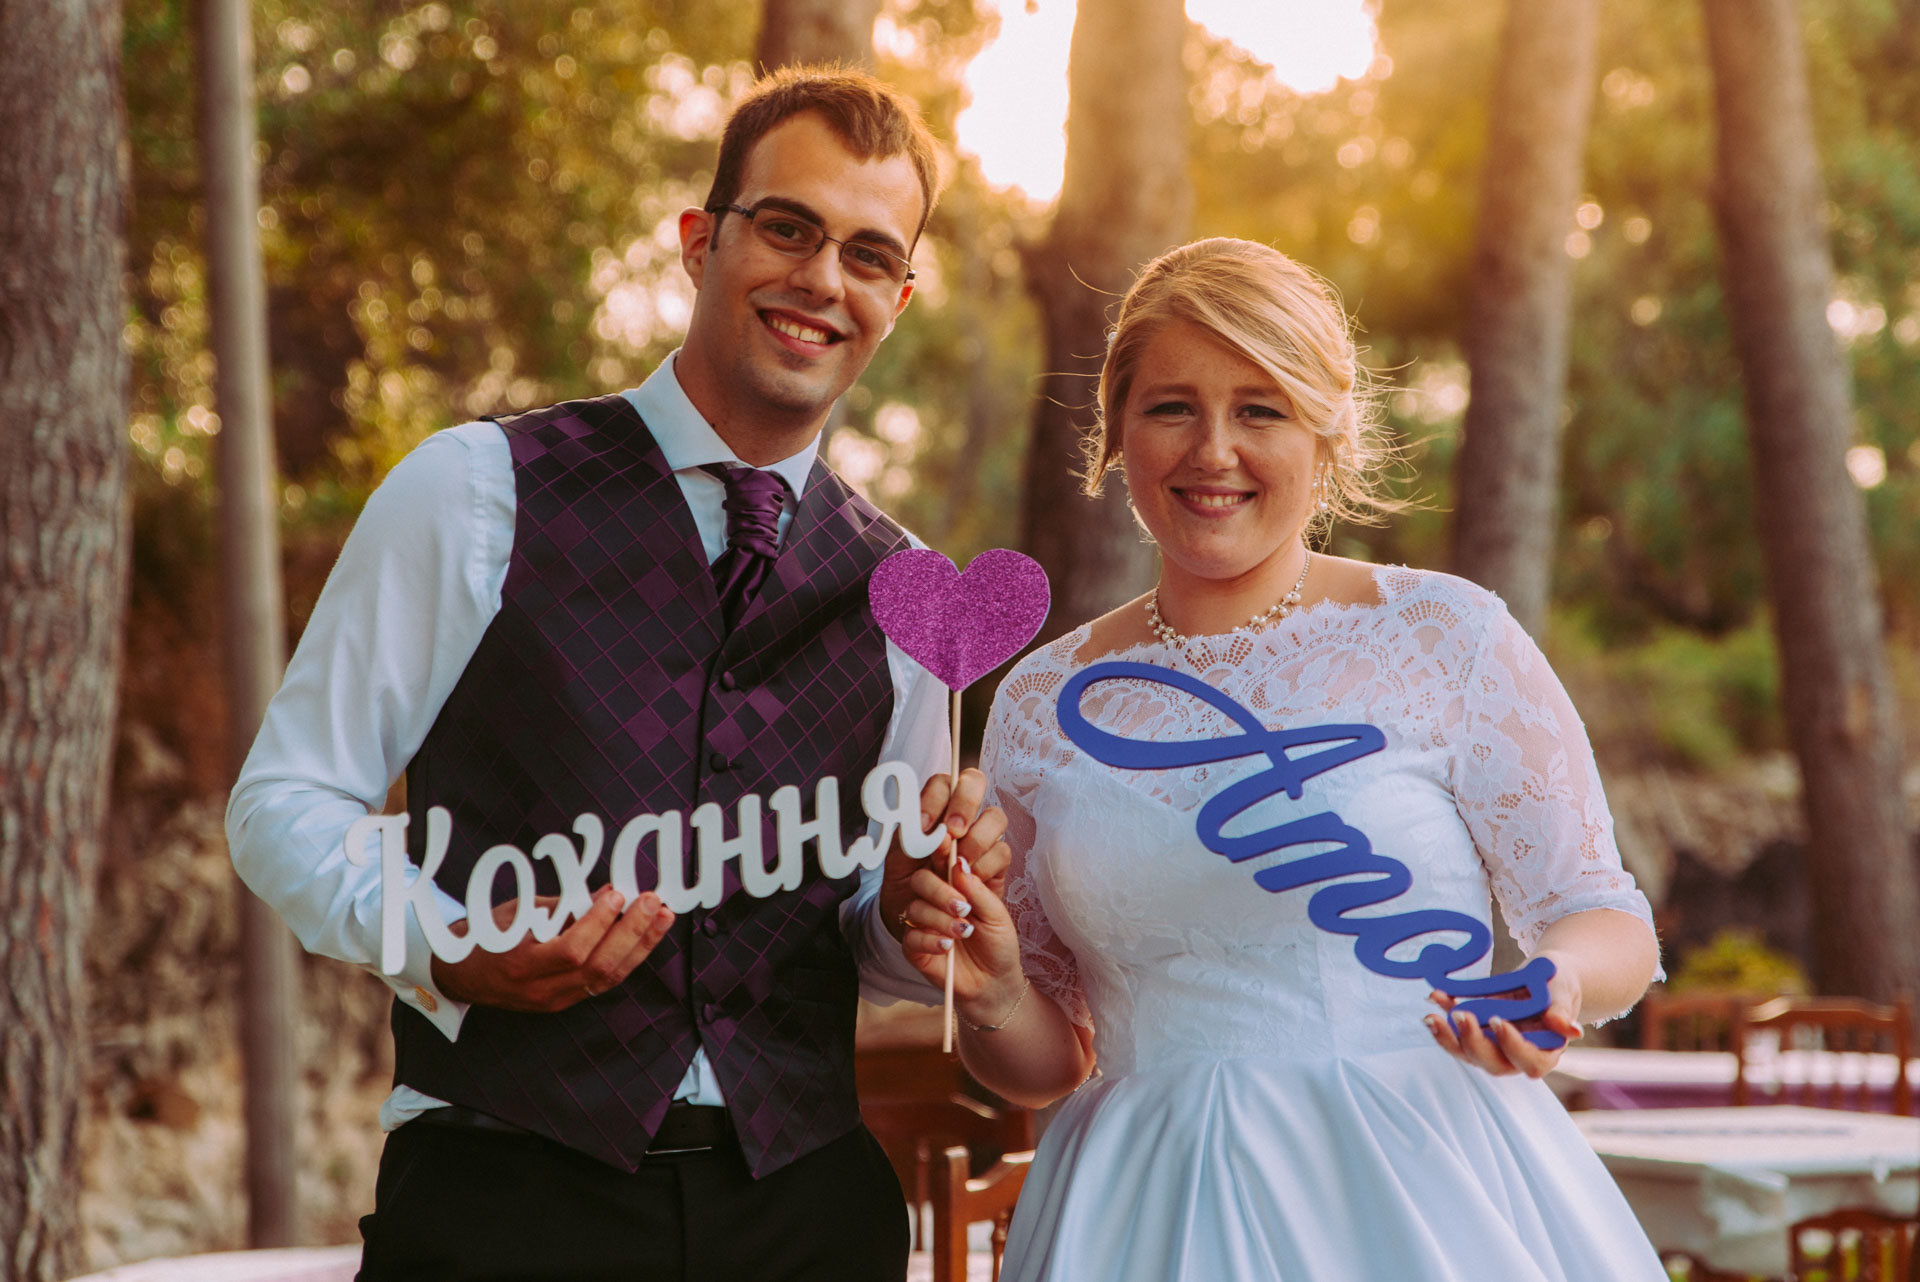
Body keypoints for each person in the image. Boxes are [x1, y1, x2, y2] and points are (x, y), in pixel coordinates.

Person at [228, 67, 1010, 1282]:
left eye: (867, 254)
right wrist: (446, 942)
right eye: (788, 228)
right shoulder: (475, 489)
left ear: (898, 300)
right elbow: (283, 804)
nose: (820, 280)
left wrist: (915, 906)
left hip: (806, 1215)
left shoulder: (906, 589)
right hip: (509, 1193)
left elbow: (871, 940)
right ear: (701, 240)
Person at [898, 238, 1669, 1280]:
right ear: (1118, 434)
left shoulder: (1447, 634)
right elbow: (1047, 1061)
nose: (1212, 449)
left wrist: (1559, 976)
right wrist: (988, 995)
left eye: (1259, 408)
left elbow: (1604, 910)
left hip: (1418, 1196)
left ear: (1327, 431)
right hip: (1140, 1212)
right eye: (1172, 406)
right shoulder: (1041, 700)